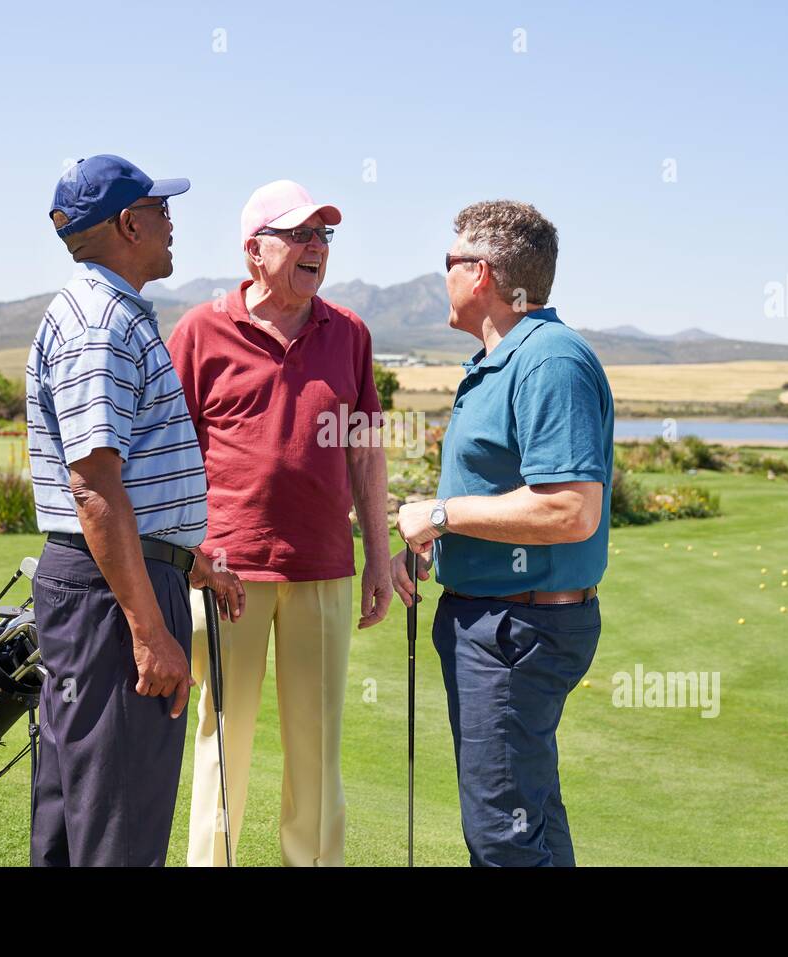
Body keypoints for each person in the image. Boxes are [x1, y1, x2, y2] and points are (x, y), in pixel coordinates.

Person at [25, 154, 244, 867]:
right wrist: (149, 630)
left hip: (116, 583)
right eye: (161, 210)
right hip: (116, 599)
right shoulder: (101, 323)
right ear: (128, 224)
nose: (172, 223)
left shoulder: (107, 312)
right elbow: (93, 485)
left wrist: (189, 557)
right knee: (118, 825)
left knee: (80, 814)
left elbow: (122, 482)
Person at [168, 179, 392, 867]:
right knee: (224, 741)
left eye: (322, 235)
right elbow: (168, 452)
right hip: (226, 571)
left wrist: (378, 557)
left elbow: (365, 450)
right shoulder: (200, 329)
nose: (315, 246)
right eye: (298, 234)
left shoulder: (349, 332)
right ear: (253, 250)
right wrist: (189, 550)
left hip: (323, 567)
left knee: (317, 750)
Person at [391, 200, 614, 867]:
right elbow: (503, 494)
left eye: (448, 264)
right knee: (529, 817)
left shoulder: (548, 361)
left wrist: (440, 515)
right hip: (494, 620)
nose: (443, 278)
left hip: (518, 631)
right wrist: (438, 538)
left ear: (481, 274)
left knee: (503, 836)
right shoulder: (501, 358)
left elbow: (570, 509)